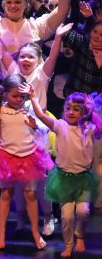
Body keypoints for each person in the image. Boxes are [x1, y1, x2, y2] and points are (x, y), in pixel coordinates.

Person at [0, 74, 54, 250]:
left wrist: (35, 126)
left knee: (30, 195)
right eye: (15, 96)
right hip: (7, 157)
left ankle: (35, 233)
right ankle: (2, 234)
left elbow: (44, 128)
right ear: (5, 94)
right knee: (6, 194)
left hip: (29, 156)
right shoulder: (0, 111)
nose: (19, 99)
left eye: (22, 96)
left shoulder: (29, 107)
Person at [27, 87, 101, 257]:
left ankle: (79, 234)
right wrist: (33, 97)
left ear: (84, 112)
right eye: (68, 108)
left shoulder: (88, 129)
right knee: (66, 217)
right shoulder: (60, 125)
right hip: (64, 178)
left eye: (76, 109)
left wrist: (91, 109)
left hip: (83, 179)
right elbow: (41, 116)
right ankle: (68, 244)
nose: (71, 112)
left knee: (83, 211)